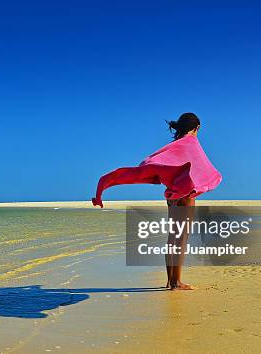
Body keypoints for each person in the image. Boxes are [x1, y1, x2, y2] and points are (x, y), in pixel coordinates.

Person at [92, 112, 222, 290]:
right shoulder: (192, 142)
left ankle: (170, 281)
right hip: (185, 196)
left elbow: (162, 163)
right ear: (197, 127)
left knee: (172, 238)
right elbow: (198, 168)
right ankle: (176, 283)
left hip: (172, 196)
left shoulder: (174, 146)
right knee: (181, 238)